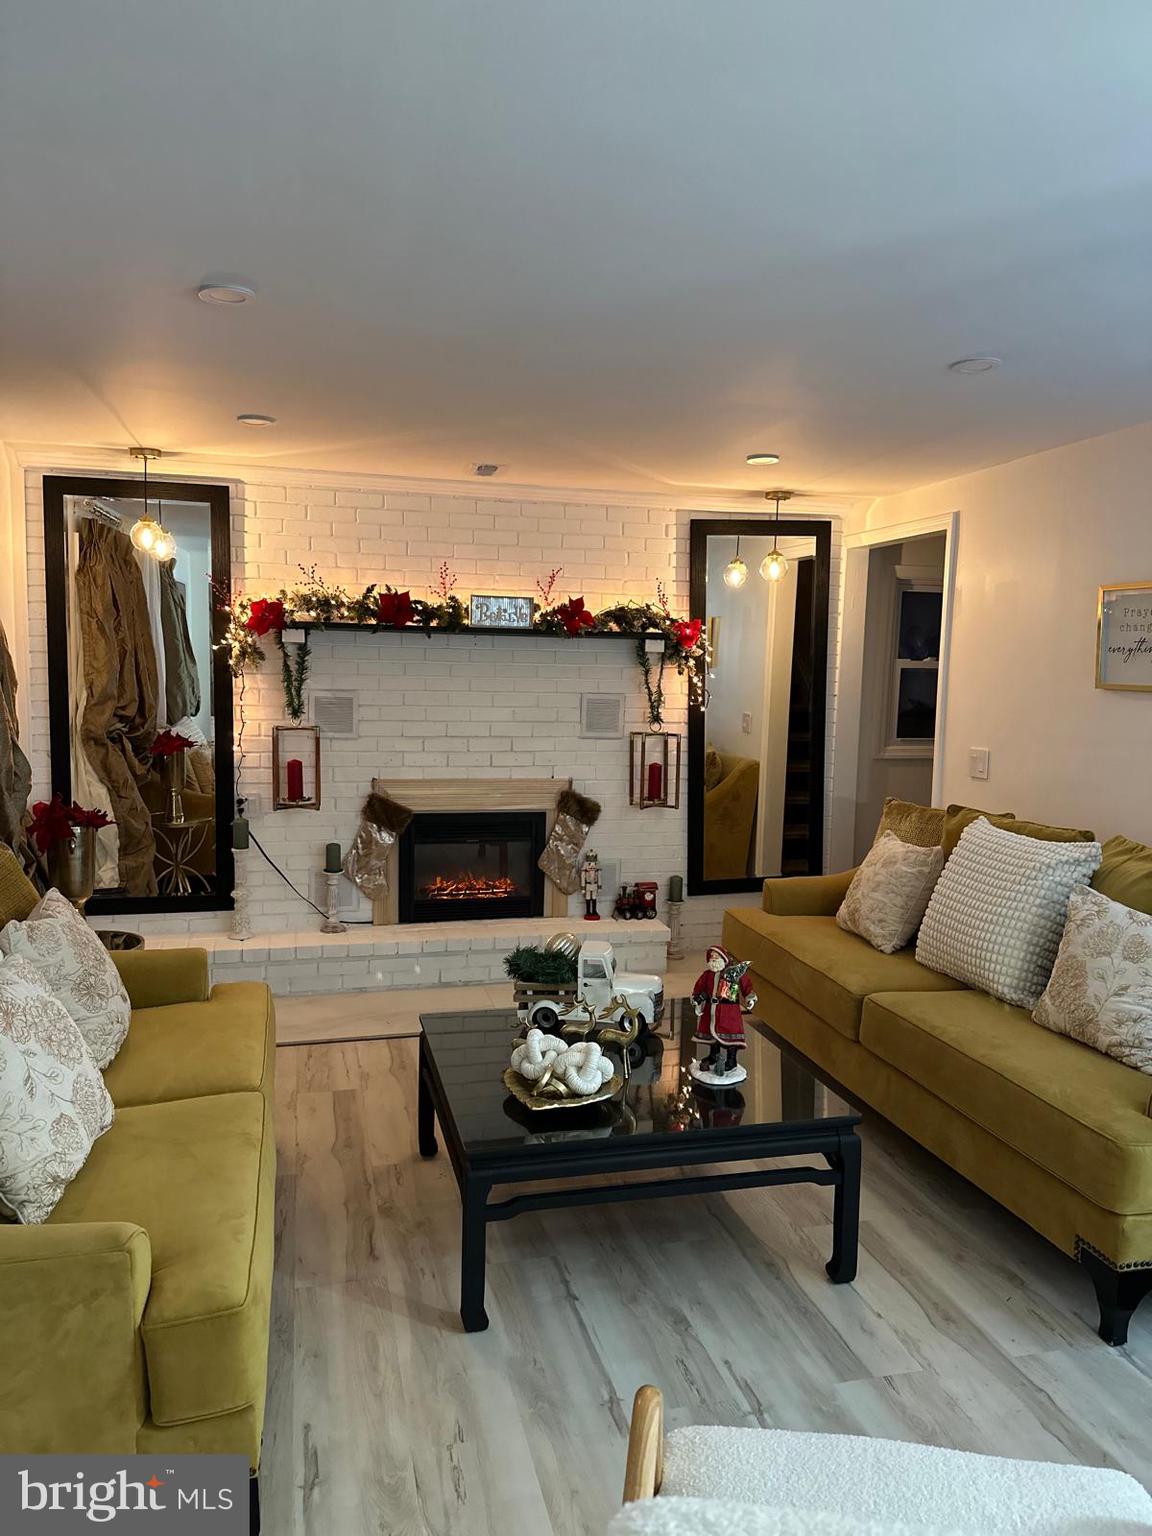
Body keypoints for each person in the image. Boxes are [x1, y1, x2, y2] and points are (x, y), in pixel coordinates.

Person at [690, 943, 756, 1081]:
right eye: (711, 958)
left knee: (729, 1035)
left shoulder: (733, 973)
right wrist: (697, 998)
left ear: (723, 958)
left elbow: (746, 985)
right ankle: (713, 1055)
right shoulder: (707, 975)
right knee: (711, 1034)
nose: (713, 960)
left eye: (716, 957)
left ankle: (731, 1059)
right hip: (710, 1010)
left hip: (728, 1012)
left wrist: (750, 997)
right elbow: (699, 987)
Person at [580, 850, 602, 920]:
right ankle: (588, 911)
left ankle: (594, 911)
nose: (592, 866)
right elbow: (583, 878)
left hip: (594, 885)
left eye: (594, 864)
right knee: (588, 897)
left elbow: (600, 878)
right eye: (589, 864)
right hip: (588, 885)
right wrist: (583, 888)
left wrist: (599, 887)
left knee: (594, 897)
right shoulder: (585, 871)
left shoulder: (597, 870)